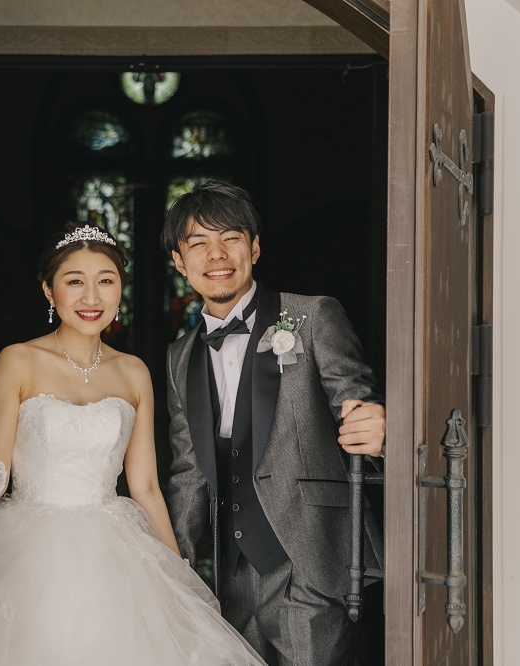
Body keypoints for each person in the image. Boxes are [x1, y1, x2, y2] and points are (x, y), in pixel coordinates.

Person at [0, 223, 266, 665]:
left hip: (115, 546)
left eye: (105, 281)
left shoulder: (134, 372)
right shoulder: (18, 361)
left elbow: (145, 486)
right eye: (74, 282)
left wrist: (177, 572)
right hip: (31, 548)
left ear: (120, 290)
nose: (91, 297)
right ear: (49, 291)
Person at [162, 180, 386, 665]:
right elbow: (188, 471)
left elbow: (358, 404)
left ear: (255, 247)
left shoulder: (312, 316)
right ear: (179, 261)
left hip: (312, 557)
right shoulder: (179, 356)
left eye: (231, 238)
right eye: (198, 243)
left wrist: (381, 432)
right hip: (230, 574)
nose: (217, 255)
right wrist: (173, 564)